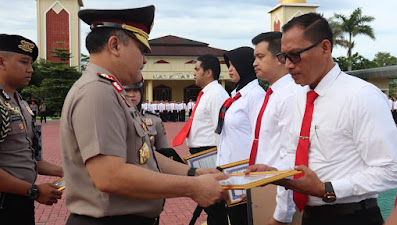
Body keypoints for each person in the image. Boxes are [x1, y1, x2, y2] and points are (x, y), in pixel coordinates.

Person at [60, 6, 228, 225]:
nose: (145, 60)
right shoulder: (96, 91)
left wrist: (193, 174)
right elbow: (110, 176)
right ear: (115, 45)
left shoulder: (111, 90)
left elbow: (143, 154)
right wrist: (193, 188)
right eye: (141, 50)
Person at [247, 13, 397, 225]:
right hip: (310, 216)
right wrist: (277, 174)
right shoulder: (300, 97)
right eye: (284, 57)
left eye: (296, 55)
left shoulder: (361, 95)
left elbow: (390, 171)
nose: (289, 65)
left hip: (353, 217)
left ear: (325, 48)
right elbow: (293, 154)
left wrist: (325, 189)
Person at [0, 34, 63, 225]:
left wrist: (64, 171)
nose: (31, 69)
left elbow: (30, 159)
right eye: (24, 62)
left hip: (20, 201)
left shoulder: (22, 104)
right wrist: (34, 190)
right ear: (1, 62)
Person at [249, 32, 303, 225]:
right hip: (264, 186)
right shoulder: (272, 94)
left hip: (278, 193)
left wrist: (282, 215)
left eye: (260, 57)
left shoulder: (290, 96)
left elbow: (290, 156)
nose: (254, 63)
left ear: (281, 58)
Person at [173, 54, 229, 225]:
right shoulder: (207, 93)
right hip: (200, 154)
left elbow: (222, 130)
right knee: (209, 203)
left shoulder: (217, 94)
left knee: (214, 204)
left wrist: (221, 164)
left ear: (209, 72)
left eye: (197, 69)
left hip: (209, 154)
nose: (194, 73)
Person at [215, 46, 265, 225]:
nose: (229, 69)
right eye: (228, 65)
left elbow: (261, 137)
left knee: (243, 219)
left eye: (233, 65)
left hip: (244, 171)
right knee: (234, 218)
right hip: (229, 170)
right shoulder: (235, 95)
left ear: (244, 65)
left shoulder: (256, 96)